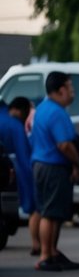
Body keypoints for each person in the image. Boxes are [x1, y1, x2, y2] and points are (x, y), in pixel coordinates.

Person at [29, 71, 79, 271]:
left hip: (41, 164)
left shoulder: (43, 108)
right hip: (53, 166)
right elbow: (64, 145)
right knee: (50, 213)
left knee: (51, 211)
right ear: (61, 90)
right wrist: (78, 164)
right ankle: (46, 255)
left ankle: (52, 252)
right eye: (70, 87)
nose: (72, 92)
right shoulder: (56, 112)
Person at [0, 96, 40, 256]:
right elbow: (23, 160)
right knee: (34, 208)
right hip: (7, 175)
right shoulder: (14, 125)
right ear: (19, 111)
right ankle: (37, 244)